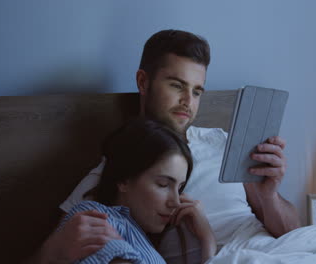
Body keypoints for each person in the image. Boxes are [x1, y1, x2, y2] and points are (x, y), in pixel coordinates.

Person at [33, 29, 301, 263]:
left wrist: (269, 197)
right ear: (143, 82)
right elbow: (56, 251)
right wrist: (51, 251)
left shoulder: (220, 142)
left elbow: (292, 233)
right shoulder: (119, 173)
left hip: (284, 250)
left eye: (197, 91)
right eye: (177, 86)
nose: (188, 101)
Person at [59, 118, 216, 263]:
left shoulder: (139, 239)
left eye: (180, 187)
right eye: (163, 184)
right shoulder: (97, 219)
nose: (175, 202)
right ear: (124, 180)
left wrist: (208, 241)